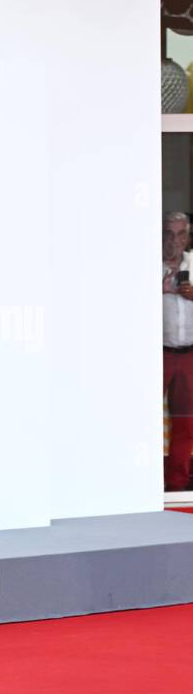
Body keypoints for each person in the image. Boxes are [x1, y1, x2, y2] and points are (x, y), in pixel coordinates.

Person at [163, 210, 193, 491]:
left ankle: (177, 486)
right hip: (155, 354)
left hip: (189, 355)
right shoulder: (148, 264)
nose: (175, 240)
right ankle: (143, 484)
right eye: (170, 233)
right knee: (142, 417)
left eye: (181, 233)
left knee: (185, 423)